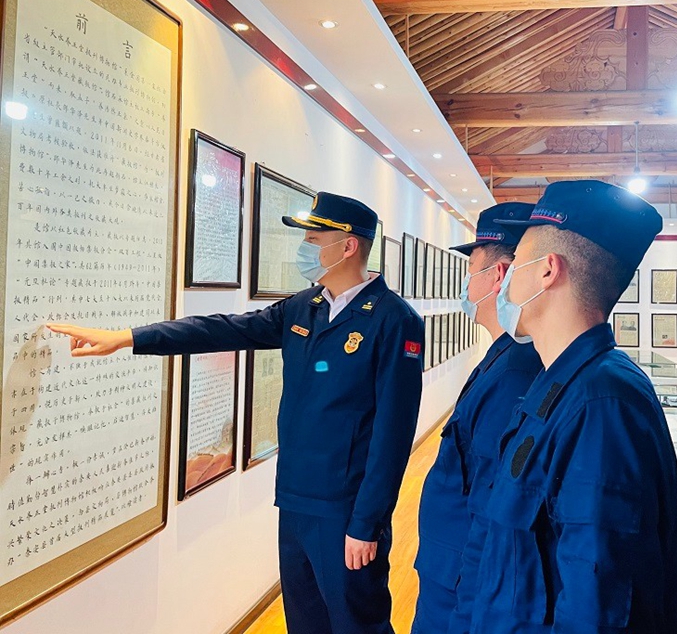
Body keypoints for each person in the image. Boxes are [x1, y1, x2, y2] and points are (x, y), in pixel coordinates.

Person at [47, 192, 424, 634]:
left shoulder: (393, 319)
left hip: (345, 506)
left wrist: (366, 524)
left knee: (355, 622)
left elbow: (393, 434)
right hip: (296, 497)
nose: (304, 248)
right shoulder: (305, 306)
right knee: (306, 621)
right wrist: (128, 338)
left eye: (313, 238)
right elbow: (222, 329)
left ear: (348, 246)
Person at [468, 180, 677, 633]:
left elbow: (597, 605)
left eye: (517, 261)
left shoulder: (603, 405)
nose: (505, 279)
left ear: (547, 270)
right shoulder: (564, 384)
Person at [412, 203, 544, 634]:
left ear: (498, 275)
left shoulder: (516, 372)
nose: (466, 283)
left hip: (459, 587)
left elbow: (491, 506)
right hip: (450, 569)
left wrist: (470, 607)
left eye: (471, 270)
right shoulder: (505, 356)